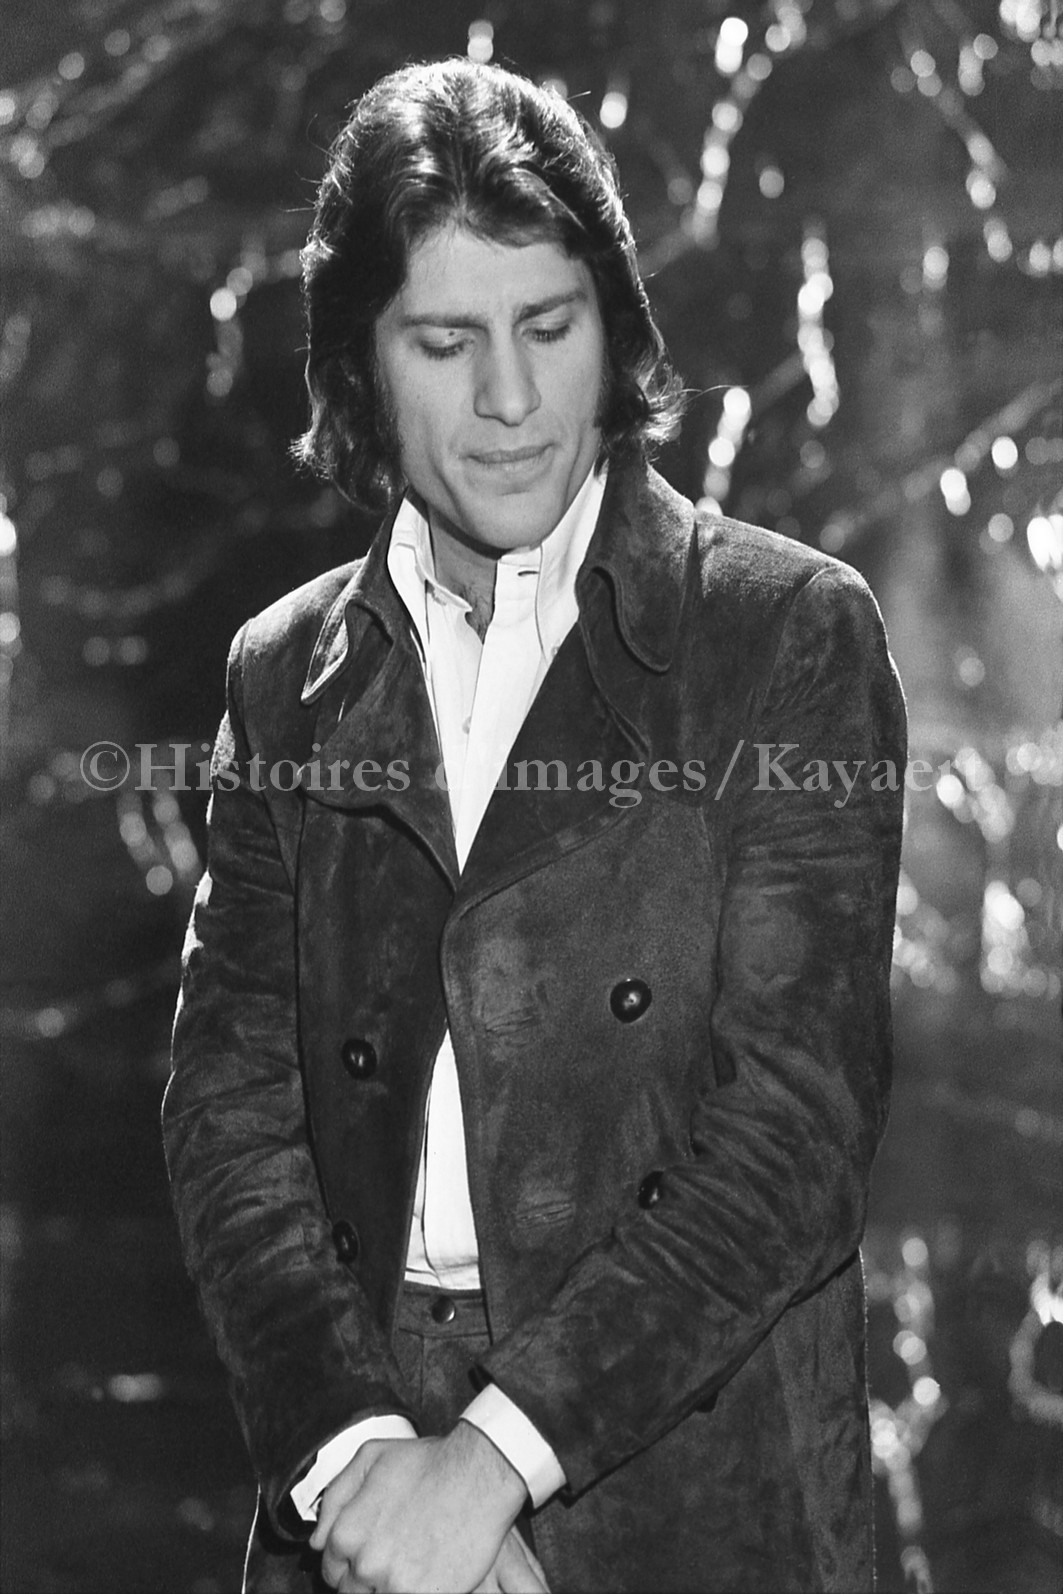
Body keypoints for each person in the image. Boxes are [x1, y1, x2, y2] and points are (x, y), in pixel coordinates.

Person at [163, 56, 907, 1594]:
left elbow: (794, 1130)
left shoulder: (784, 633)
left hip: (688, 1482)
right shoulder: (282, 674)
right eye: (447, 342)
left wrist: (493, 1461)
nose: (510, 400)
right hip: (362, 1489)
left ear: (614, 329)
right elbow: (227, 1115)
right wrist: (362, 1462)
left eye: (550, 328)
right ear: (360, 368)